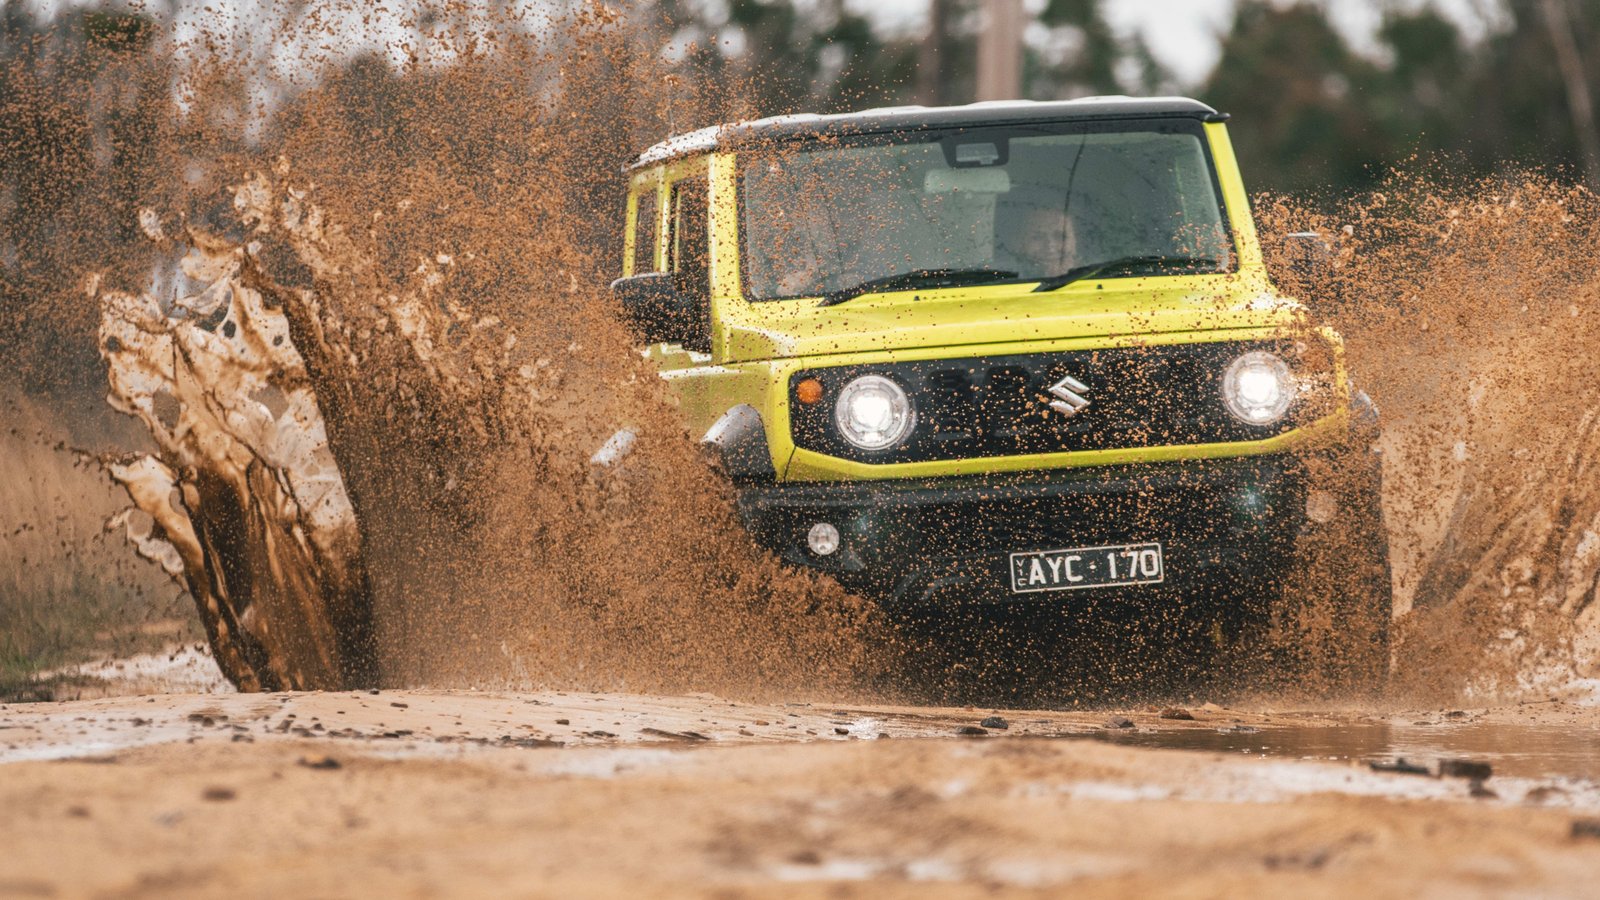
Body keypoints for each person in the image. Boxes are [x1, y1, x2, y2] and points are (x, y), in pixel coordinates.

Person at [997, 202, 1080, 276]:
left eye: (1060, 237)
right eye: (1038, 237)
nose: (1050, 247)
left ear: (1075, 241)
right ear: (1017, 243)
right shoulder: (1002, 276)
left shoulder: (1087, 274)